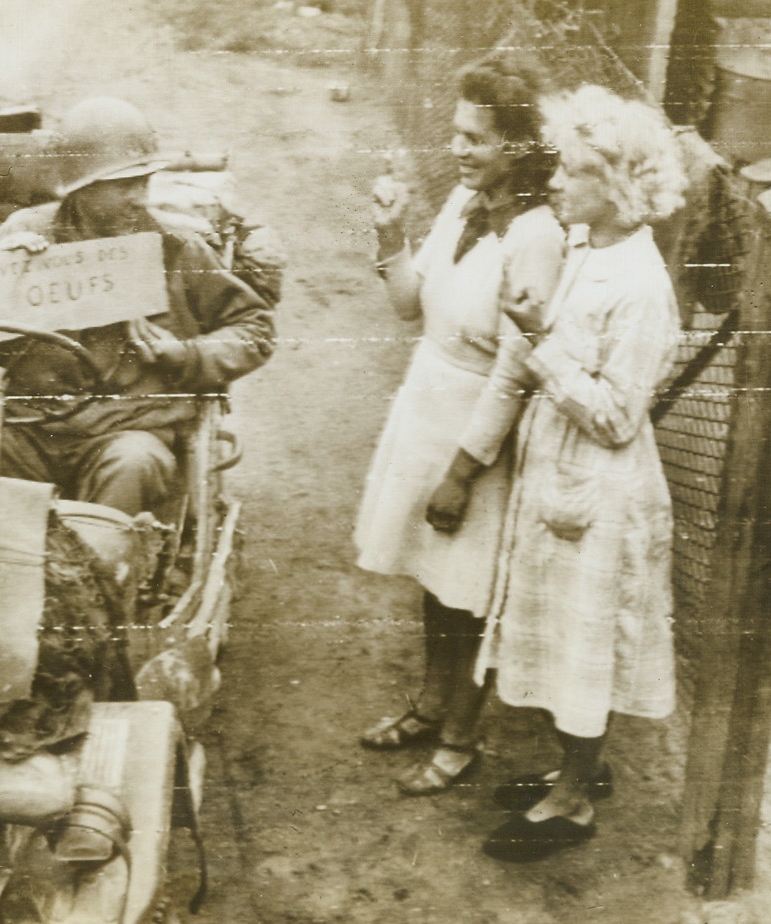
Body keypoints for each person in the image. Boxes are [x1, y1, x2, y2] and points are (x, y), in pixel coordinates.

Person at [478, 85, 687, 861]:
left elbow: (617, 417)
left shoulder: (642, 286)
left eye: (572, 172)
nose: (556, 183)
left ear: (620, 186)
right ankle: (572, 771)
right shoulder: (585, 250)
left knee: (584, 651)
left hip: (601, 491)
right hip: (564, 481)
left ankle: (573, 802)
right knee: (564, 644)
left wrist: (542, 344)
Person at [353, 53, 566, 795]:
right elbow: (411, 305)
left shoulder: (538, 234)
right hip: (426, 405)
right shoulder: (464, 205)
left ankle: (461, 736)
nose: (458, 150)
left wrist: (461, 472)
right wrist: (390, 232)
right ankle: (430, 705)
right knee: (433, 583)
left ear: (518, 145)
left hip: (479, 435)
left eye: (474, 138)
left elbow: (515, 371)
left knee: (468, 592)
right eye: (457, 133)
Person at [0, 97, 275, 516]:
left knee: (133, 462)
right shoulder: (25, 232)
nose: (141, 198)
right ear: (82, 189)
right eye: (126, 185)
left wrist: (185, 353)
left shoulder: (176, 248)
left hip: (125, 433)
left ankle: (99, 578)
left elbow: (254, 329)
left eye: (146, 182)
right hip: (27, 429)